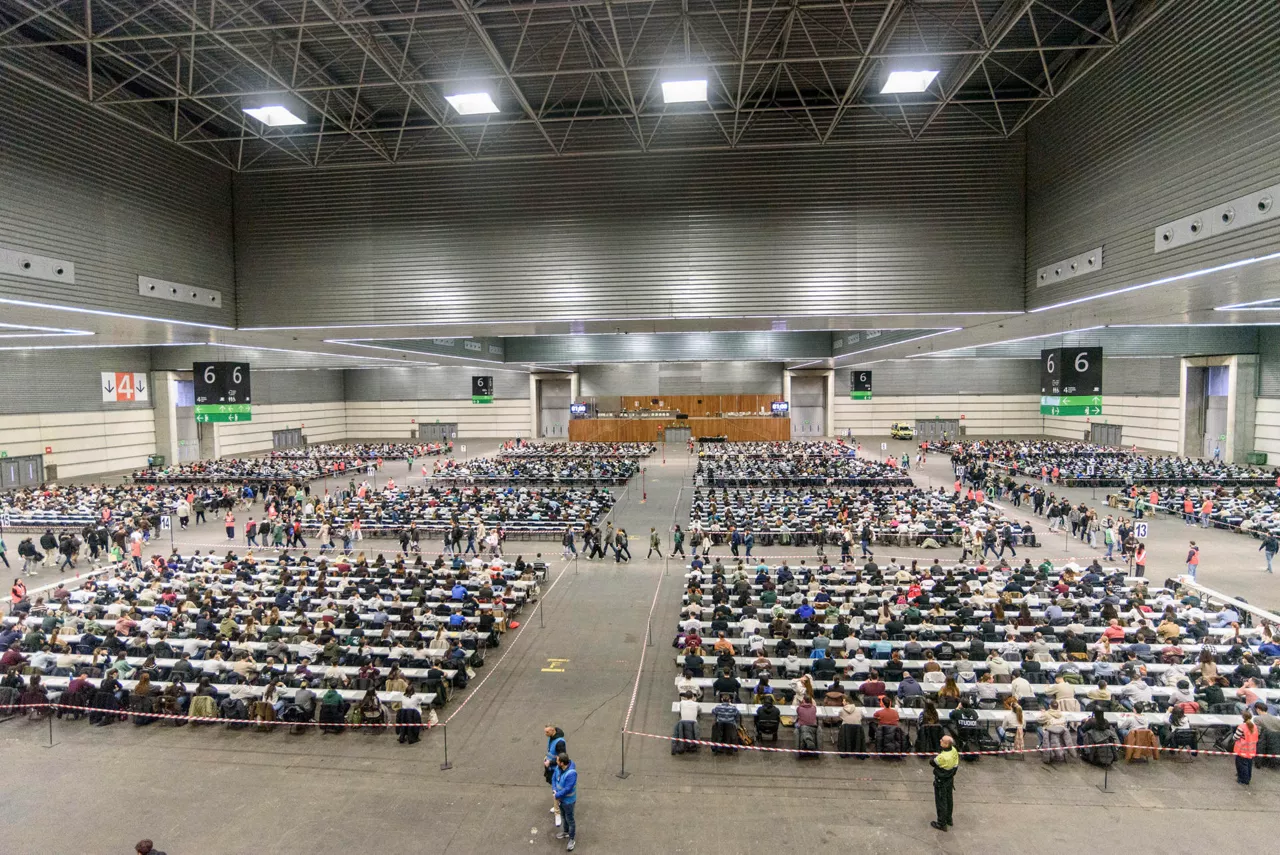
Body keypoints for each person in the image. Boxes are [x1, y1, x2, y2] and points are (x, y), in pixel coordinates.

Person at [930, 735, 959, 831]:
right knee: (949, 799)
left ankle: (941, 823)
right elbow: (956, 764)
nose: (940, 740)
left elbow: (932, 762)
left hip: (941, 780)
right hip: (950, 779)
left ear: (946, 744)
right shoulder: (953, 750)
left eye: (942, 740)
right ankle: (948, 819)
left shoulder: (942, 757)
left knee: (941, 801)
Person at [551, 752, 578, 851]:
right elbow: (554, 778)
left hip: (568, 801)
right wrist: (554, 789)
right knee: (563, 816)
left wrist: (557, 795)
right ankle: (566, 832)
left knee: (570, 819)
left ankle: (571, 839)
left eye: (557, 760)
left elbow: (568, 789)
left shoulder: (571, 774)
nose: (556, 761)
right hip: (560, 800)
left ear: (562, 763)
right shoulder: (559, 768)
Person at [544, 724, 568, 827]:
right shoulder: (552, 737)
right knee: (554, 788)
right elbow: (551, 751)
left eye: (547, 732)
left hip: (556, 769)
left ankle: (558, 812)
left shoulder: (560, 743)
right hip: (551, 768)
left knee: (556, 790)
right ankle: (557, 805)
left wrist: (551, 762)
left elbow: (561, 758)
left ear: (553, 730)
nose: (545, 734)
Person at [1233, 709, 1260, 785]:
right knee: (1249, 764)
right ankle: (1248, 777)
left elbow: (1235, 737)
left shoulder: (1241, 727)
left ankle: (1243, 779)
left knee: (1241, 765)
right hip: (1251, 749)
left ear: (1242, 718)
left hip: (1242, 749)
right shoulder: (1254, 726)